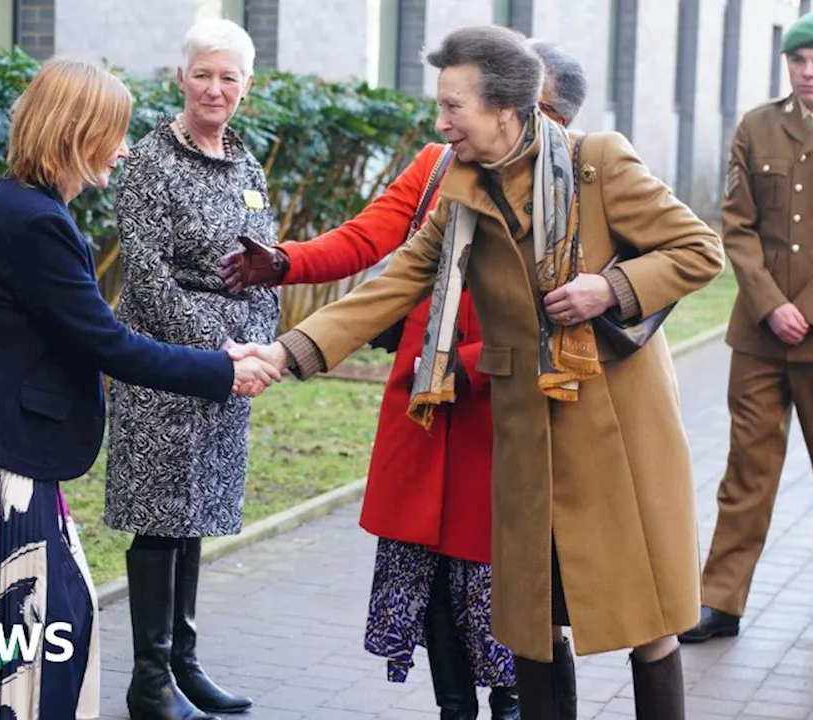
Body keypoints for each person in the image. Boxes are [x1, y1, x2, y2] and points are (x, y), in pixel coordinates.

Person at [234, 25, 723, 720]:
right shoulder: (463, 190)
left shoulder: (599, 164)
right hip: (524, 443)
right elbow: (396, 281)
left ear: (506, 108)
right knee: (532, 629)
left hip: (616, 440)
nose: (440, 124)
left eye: (453, 107)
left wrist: (610, 288)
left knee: (647, 622)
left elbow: (698, 249)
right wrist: (284, 353)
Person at [218, 40, 588, 720]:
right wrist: (283, 262)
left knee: (502, 577)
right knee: (429, 571)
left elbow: (571, 322)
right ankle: (454, 708)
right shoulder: (438, 165)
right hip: (424, 402)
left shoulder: (573, 187)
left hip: (505, 409)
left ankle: (513, 703)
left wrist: (471, 365)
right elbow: (370, 241)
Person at [0, 57, 279, 720]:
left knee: (16, 629)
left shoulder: (23, 206)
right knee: (22, 628)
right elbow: (107, 342)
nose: (126, 147)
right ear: (77, 133)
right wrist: (224, 369)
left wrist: (224, 357)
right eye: (116, 131)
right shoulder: (33, 223)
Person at [678, 10, 813, 647]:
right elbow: (736, 225)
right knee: (746, 469)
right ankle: (720, 600)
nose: (808, 72)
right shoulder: (755, 127)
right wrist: (773, 304)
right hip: (759, 334)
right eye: (799, 61)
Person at [106, 19, 279, 720]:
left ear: (246, 87)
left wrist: (261, 343)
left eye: (229, 77)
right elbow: (147, 278)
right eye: (203, 74)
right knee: (160, 516)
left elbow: (266, 263)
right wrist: (221, 351)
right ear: (182, 78)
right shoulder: (150, 161)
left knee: (197, 515)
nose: (215, 88)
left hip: (230, 368)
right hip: (167, 365)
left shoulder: (245, 161)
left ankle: (184, 662)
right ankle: (148, 680)